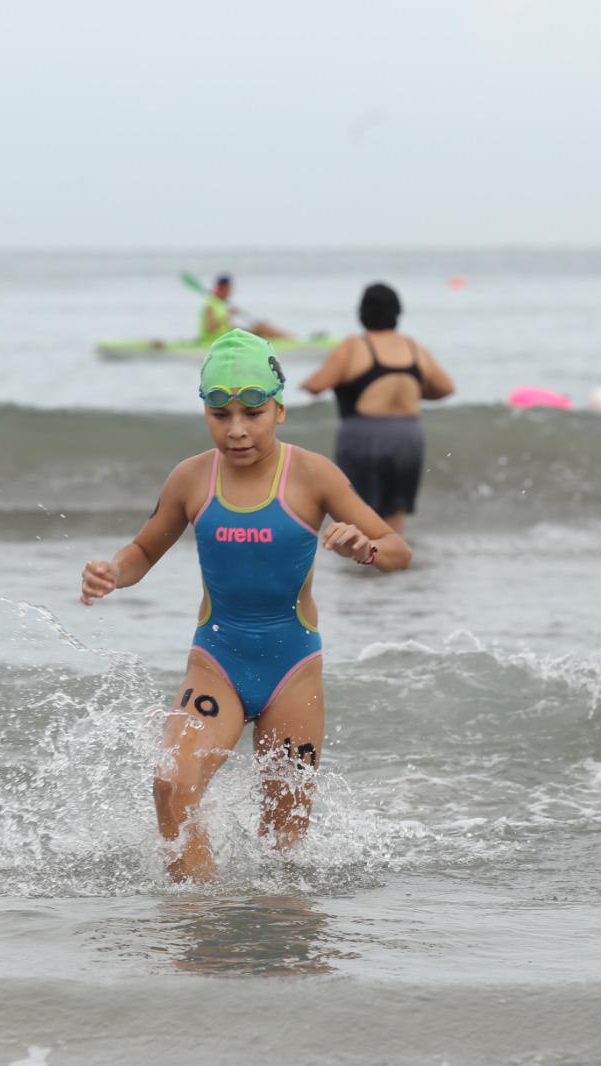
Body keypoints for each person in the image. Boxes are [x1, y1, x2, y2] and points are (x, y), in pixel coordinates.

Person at [79, 329, 411, 882]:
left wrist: (366, 548)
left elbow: (398, 550)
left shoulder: (313, 475)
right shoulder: (191, 478)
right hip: (217, 662)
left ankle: (269, 922)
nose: (236, 429)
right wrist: (113, 572)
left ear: (279, 410)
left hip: (294, 672)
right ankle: (198, 913)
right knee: (171, 785)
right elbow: (143, 551)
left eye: (252, 413)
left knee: (285, 846)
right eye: (220, 413)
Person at [301, 283, 455, 536]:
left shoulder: (353, 346)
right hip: (408, 437)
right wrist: (411, 390)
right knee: (396, 513)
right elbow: (446, 388)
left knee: (358, 513)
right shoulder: (413, 348)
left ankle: (365, 561)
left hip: (364, 436)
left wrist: (303, 383)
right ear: (397, 313)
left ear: (362, 312)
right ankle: (393, 558)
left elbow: (317, 385)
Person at [200, 275, 287, 344]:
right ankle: (288, 341)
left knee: (262, 325)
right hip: (218, 340)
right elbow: (210, 329)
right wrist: (228, 315)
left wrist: (241, 329)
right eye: (229, 289)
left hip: (227, 336)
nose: (230, 292)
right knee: (262, 328)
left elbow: (227, 327)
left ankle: (287, 339)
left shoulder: (221, 304)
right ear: (223, 288)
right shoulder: (211, 305)